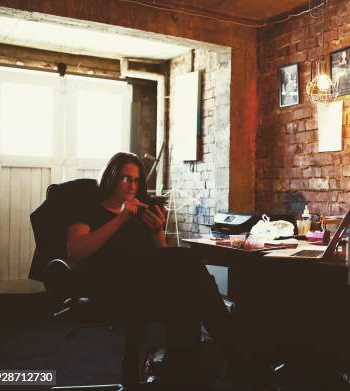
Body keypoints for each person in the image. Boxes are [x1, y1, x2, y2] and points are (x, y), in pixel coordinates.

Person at [66, 152, 246, 388]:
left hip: (144, 284)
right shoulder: (88, 210)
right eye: (126, 179)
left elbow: (163, 258)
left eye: (137, 180)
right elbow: (76, 250)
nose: (132, 186)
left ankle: (181, 377)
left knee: (188, 296)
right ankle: (236, 356)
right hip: (109, 285)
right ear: (111, 177)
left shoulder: (140, 211)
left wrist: (156, 232)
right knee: (188, 261)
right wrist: (119, 219)